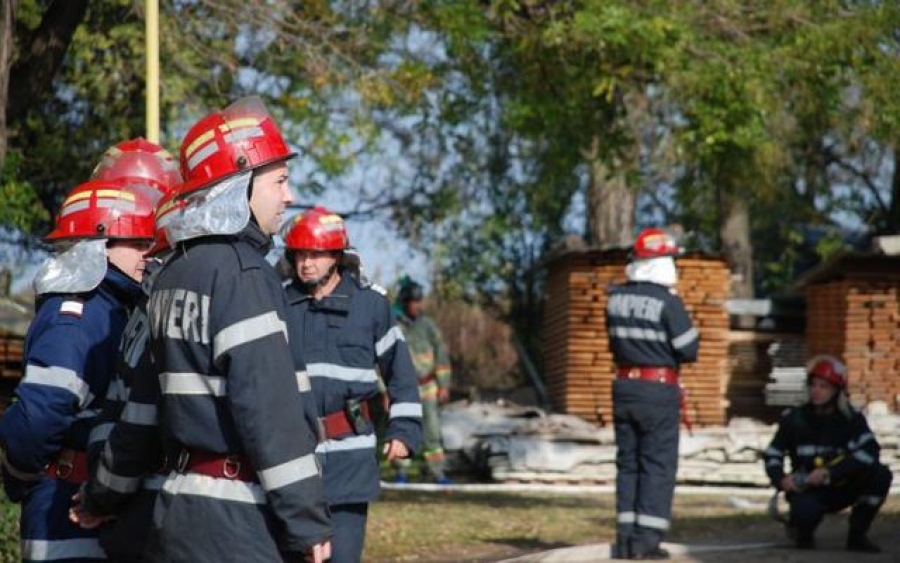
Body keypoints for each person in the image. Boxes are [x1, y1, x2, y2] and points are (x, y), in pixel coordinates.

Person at [78, 97, 332, 562]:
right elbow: (269, 411)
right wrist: (307, 519)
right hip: (242, 525)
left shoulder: (173, 275)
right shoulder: (243, 274)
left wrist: (101, 495)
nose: (289, 196)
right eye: (279, 180)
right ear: (240, 182)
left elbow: (140, 412)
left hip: (176, 519)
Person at [0, 177, 164, 562]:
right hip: (64, 514)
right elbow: (37, 419)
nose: (148, 253)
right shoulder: (76, 317)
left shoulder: (115, 308)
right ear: (97, 244)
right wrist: (22, 478)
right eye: (137, 243)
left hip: (100, 511)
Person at [283, 205, 422, 563]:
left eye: (315, 254)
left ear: (337, 257)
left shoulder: (370, 305)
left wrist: (403, 431)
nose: (306, 263)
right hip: (291, 459)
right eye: (299, 254)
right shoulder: (280, 302)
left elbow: (401, 373)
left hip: (350, 457)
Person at [605, 227, 699, 560]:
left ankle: (626, 539)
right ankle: (647, 541)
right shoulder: (667, 302)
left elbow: (614, 344)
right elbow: (689, 349)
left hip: (624, 387)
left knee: (628, 464)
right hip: (657, 391)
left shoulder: (614, 298)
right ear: (661, 263)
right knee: (657, 465)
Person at [763, 355, 893, 553]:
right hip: (808, 489)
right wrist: (780, 479)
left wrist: (831, 473)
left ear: (836, 390)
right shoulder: (794, 419)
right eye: (813, 385)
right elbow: (773, 453)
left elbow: (869, 454)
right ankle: (802, 531)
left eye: (823, 386)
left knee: (880, 475)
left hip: (843, 485)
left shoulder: (851, 420)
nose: (816, 391)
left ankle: (857, 536)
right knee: (804, 522)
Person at [393, 276, 453, 484]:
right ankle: (401, 472)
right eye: (413, 301)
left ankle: (438, 473)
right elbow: (382, 359)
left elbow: (442, 355)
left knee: (433, 432)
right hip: (402, 389)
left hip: (428, 386)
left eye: (419, 301)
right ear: (404, 302)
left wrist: (444, 385)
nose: (417, 306)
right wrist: (384, 390)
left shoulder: (428, 326)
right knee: (402, 430)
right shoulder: (394, 326)